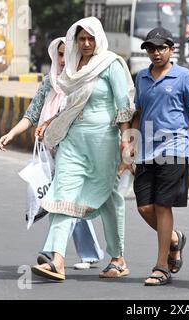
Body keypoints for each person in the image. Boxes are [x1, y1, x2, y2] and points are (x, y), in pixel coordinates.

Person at [30, 17, 134, 281]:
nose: (86, 44)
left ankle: (118, 258)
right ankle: (57, 260)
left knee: (109, 198)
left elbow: (124, 105)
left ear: (98, 38)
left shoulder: (111, 64)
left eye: (90, 38)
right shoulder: (73, 67)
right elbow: (70, 106)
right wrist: (51, 120)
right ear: (75, 40)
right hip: (73, 140)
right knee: (62, 193)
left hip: (104, 141)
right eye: (81, 39)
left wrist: (125, 141)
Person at [0, 37, 104, 270]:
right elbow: (32, 114)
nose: (65, 59)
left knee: (63, 200)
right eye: (60, 54)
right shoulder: (49, 83)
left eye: (69, 53)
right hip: (51, 151)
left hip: (77, 151)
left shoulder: (83, 80)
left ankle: (51, 254)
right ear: (54, 56)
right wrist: (12, 134)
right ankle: (91, 252)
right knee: (68, 202)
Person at [132, 27, 189, 286]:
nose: (156, 53)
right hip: (146, 150)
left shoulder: (183, 76)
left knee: (161, 205)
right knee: (144, 207)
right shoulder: (142, 78)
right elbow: (138, 111)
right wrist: (128, 143)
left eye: (161, 48)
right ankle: (175, 239)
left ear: (171, 49)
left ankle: (161, 267)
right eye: (151, 48)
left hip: (174, 148)